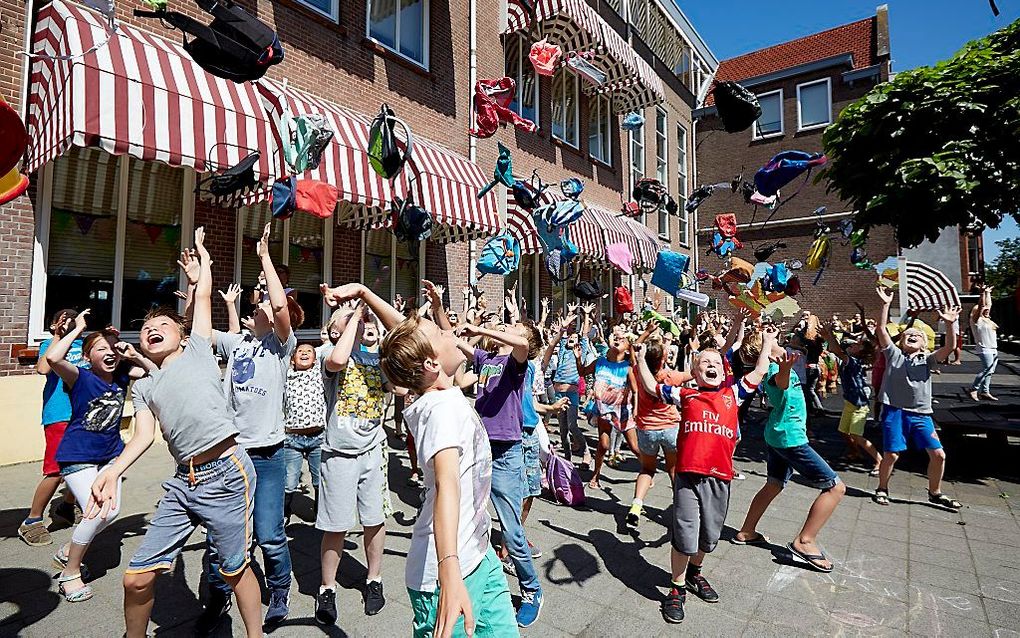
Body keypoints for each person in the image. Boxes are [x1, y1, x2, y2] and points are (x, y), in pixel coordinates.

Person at [89, 228, 264, 638]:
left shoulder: (200, 350)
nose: (153, 328)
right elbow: (142, 436)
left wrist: (202, 264)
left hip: (226, 473)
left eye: (164, 323)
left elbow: (202, 298)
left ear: (182, 335)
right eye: (147, 327)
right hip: (183, 482)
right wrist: (113, 471)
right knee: (135, 577)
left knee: (234, 569)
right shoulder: (145, 386)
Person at [320, 282, 519, 638]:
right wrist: (450, 571)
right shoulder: (440, 411)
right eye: (442, 332)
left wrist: (365, 294)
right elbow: (446, 485)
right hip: (446, 573)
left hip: (479, 555)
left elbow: (406, 337)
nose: (450, 332)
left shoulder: (434, 386)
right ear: (431, 362)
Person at [633, 327, 774, 623]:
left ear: (724, 373)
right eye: (703, 363)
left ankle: (695, 573)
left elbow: (761, 368)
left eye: (715, 363)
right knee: (685, 533)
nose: (710, 365)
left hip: (720, 477)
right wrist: (641, 358)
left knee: (709, 537)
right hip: (687, 475)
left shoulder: (733, 394)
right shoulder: (686, 394)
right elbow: (649, 386)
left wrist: (769, 342)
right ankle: (677, 588)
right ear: (694, 373)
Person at [201, 222, 298, 630]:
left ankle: (278, 588)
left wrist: (264, 257)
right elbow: (200, 332)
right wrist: (200, 278)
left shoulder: (280, 347)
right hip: (229, 455)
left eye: (272, 304)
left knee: (270, 533)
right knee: (220, 536)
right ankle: (217, 595)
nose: (264, 304)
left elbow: (278, 308)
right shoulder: (236, 342)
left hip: (270, 454)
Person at [45, 312, 154, 602]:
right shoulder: (79, 377)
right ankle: (70, 572)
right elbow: (54, 359)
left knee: (112, 512)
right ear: (88, 356)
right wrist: (78, 329)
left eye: (112, 349)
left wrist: (131, 353)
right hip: (77, 455)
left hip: (110, 456)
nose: (109, 353)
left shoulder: (121, 375)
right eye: (101, 349)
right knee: (98, 512)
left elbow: (154, 371)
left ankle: (70, 548)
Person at [732, 329, 846, 573]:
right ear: (765, 352)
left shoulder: (779, 366)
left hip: (779, 435)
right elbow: (779, 383)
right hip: (789, 440)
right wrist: (783, 369)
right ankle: (805, 541)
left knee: (773, 484)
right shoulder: (774, 370)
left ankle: (746, 531)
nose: (780, 341)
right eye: (773, 342)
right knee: (835, 487)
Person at [457, 317, 544, 627]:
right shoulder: (488, 358)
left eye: (514, 327)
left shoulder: (516, 363)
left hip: (507, 454)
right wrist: (442, 314)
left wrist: (481, 330)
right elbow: (457, 343)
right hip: (480, 447)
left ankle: (532, 589)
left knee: (510, 530)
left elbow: (523, 346)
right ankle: (478, 581)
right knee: (468, 518)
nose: (508, 326)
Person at [316, 303, 391, 624]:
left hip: (372, 451)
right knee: (336, 524)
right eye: (348, 320)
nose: (359, 320)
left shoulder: (378, 358)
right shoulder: (328, 352)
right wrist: (352, 320)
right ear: (336, 329)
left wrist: (381, 334)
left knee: (374, 519)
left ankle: (373, 579)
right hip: (338, 453)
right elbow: (338, 360)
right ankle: (327, 587)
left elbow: (399, 387)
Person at [873, 287, 963, 510]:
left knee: (939, 455)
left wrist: (950, 323)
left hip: (921, 414)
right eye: (908, 335)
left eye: (918, 336)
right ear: (901, 342)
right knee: (892, 454)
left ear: (924, 344)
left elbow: (950, 346)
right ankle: (882, 487)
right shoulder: (894, 355)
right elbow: (881, 330)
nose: (912, 336)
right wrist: (885, 305)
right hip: (894, 410)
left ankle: (935, 492)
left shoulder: (928, 360)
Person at [19, 309, 87, 547]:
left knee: (82, 465)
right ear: (51, 327)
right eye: (62, 321)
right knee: (56, 471)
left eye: (74, 320)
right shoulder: (50, 343)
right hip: (59, 414)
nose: (68, 323)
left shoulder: (86, 345)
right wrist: (58, 336)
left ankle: (67, 507)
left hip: (83, 414)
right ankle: (32, 521)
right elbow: (43, 368)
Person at [625, 321, 692, 528]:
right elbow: (694, 373)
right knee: (673, 469)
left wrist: (645, 334)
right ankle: (680, 510)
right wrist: (693, 352)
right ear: (664, 358)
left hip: (646, 429)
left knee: (647, 469)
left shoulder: (637, 371)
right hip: (670, 427)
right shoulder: (669, 376)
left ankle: (636, 505)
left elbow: (633, 350)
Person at [579, 321, 640, 490]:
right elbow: (582, 372)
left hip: (623, 411)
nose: (617, 339)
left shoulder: (627, 367)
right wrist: (578, 357)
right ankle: (596, 475)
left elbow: (635, 391)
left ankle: (647, 471)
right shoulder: (600, 362)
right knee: (603, 445)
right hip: (604, 410)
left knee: (635, 447)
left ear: (628, 348)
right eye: (615, 337)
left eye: (622, 339)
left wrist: (635, 409)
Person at [819, 323, 882, 475]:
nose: (853, 345)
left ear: (860, 351)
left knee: (856, 435)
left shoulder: (853, 361)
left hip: (859, 405)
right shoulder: (852, 360)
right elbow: (834, 350)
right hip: (850, 402)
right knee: (843, 431)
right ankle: (856, 453)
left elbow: (837, 350)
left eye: (856, 345)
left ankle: (879, 459)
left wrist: (829, 334)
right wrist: (827, 337)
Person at [542, 307, 592, 467]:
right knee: (563, 430)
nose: (572, 338)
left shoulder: (580, 351)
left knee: (572, 425)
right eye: (571, 337)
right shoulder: (563, 348)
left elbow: (584, 335)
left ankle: (586, 453)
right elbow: (563, 332)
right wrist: (568, 316)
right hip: (558, 393)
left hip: (571, 394)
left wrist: (586, 314)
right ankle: (568, 459)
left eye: (574, 337)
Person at [283, 342, 326, 524]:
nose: (304, 353)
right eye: (300, 351)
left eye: (309, 351)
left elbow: (329, 350)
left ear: (315, 360)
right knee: (289, 481)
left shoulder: (319, 375)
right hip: (292, 438)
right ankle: (284, 512)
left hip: (318, 436)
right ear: (293, 359)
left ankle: (320, 513)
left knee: (320, 480)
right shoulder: (287, 375)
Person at [968, 284, 999, 401]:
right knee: (987, 369)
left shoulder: (987, 320)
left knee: (990, 371)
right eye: (983, 310)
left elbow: (988, 305)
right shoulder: (976, 321)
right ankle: (974, 389)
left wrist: (988, 293)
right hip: (984, 348)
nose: (987, 310)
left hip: (993, 348)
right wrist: (982, 294)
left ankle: (985, 391)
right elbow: (982, 306)